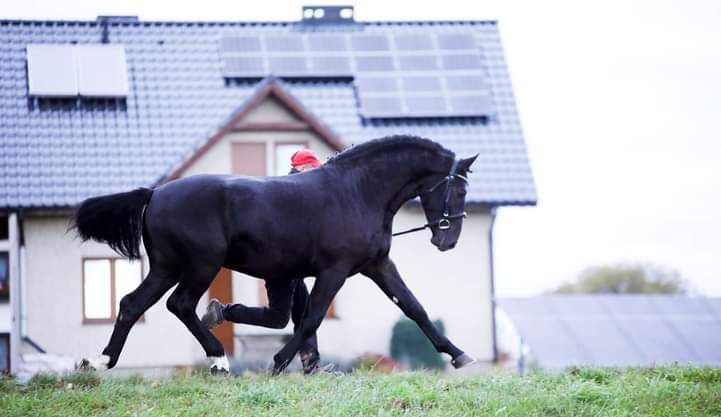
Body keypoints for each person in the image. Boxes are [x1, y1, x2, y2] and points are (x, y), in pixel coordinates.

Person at [201, 148, 322, 373]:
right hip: (281, 266)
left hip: (294, 266)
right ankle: (223, 312)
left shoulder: (299, 190)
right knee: (277, 319)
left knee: (304, 315)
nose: (317, 175)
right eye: (314, 169)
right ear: (303, 168)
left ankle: (311, 364)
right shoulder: (294, 191)